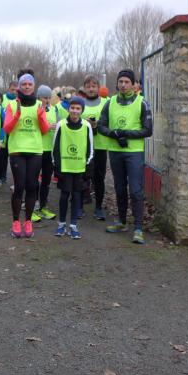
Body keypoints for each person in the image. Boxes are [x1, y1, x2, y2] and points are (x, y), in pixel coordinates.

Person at [98, 69, 153, 244]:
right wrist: (114, 134)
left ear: (133, 84)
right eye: (120, 81)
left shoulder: (142, 102)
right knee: (120, 188)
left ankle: (138, 228)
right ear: (117, 83)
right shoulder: (110, 102)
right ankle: (122, 222)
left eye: (127, 82)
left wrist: (126, 134)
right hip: (115, 151)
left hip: (134, 152)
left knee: (135, 190)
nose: (123, 85)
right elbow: (101, 126)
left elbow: (148, 130)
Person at [3, 73, 49, 238]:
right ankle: (16, 221)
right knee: (19, 186)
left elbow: (44, 130)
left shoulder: (39, 104)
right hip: (17, 150)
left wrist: (41, 116)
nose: (27, 87)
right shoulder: (12, 104)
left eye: (30, 84)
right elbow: (7, 129)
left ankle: (28, 221)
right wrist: (17, 115)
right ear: (19, 86)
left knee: (32, 186)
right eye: (24, 84)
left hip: (35, 150)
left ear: (33, 86)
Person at [52, 96, 94, 239]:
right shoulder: (61, 124)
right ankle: (61, 224)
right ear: (68, 109)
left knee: (76, 196)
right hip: (65, 168)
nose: (75, 111)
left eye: (78, 108)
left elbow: (90, 148)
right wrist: (57, 166)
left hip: (79, 168)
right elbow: (55, 147)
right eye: (72, 108)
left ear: (82, 110)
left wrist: (88, 167)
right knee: (64, 195)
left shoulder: (87, 126)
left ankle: (73, 225)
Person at [80, 75, 110, 221]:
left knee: (99, 178)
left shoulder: (106, 102)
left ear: (98, 88)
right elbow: (72, 120)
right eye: (88, 86)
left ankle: (98, 207)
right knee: (82, 177)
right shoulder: (80, 103)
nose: (91, 89)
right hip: (83, 147)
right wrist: (84, 123)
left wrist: (98, 124)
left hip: (100, 146)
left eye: (93, 86)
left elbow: (110, 122)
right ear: (84, 88)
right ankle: (79, 206)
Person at [34, 85, 58, 220]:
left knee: (46, 180)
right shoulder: (35, 109)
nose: (47, 100)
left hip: (50, 150)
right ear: (39, 98)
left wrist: (56, 127)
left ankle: (43, 206)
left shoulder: (54, 110)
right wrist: (48, 127)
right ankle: (34, 206)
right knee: (34, 180)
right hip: (37, 149)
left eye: (49, 98)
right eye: (44, 97)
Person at [0, 80, 19, 186]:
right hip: (3, 132)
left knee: (14, 158)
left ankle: (16, 180)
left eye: (16, 90)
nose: (14, 92)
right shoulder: (3, 98)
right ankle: (2, 176)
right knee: (2, 157)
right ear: (8, 89)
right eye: (12, 90)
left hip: (14, 133)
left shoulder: (19, 100)